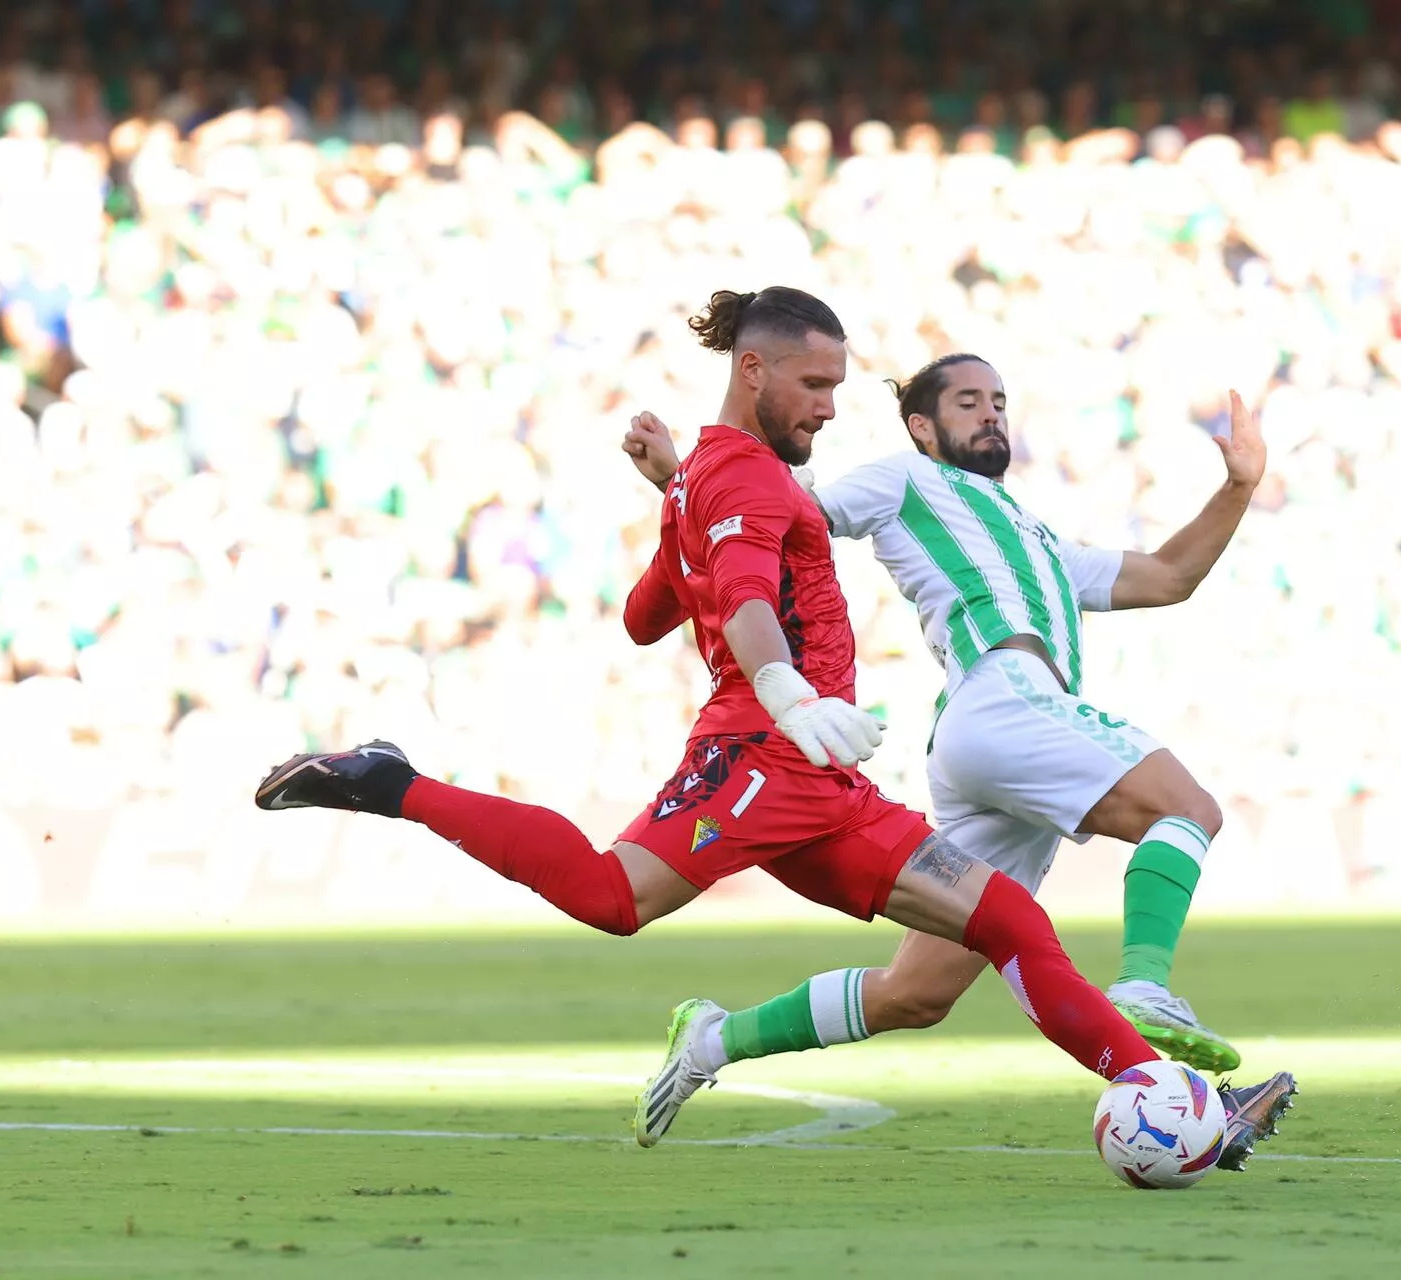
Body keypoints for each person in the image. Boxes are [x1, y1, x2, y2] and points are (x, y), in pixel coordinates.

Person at [254, 287, 1291, 1169]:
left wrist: (677, 502)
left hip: (825, 779)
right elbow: (745, 601)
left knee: (1008, 926)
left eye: (839, 387)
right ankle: (394, 781)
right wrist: (793, 693)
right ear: (753, 371)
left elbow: (645, 614)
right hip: (759, 752)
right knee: (614, 899)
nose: (833, 409)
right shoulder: (751, 475)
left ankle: (1170, 1096)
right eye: (816, 387)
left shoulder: (724, 477)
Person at [620, 352, 1292, 1155]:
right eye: (969, 401)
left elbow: (1171, 574)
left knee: (917, 991)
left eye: (999, 401)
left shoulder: (1039, 539)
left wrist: (1239, 487)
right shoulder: (905, 479)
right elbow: (784, 512)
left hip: (986, 745)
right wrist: (680, 481)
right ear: (922, 426)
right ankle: (1145, 986)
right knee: (1188, 809)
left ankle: (712, 1042)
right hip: (1005, 697)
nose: (990, 414)